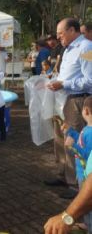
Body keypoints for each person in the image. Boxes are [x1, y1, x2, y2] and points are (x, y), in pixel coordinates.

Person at [46, 18, 92, 199]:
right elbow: (66, 74)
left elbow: (90, 80)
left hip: (78, 101)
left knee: (72, 141)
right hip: (64, 99)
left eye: (60, 34)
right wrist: (53, 79)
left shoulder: (87, 48)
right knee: (59, 138)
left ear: (72, 30)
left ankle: (76, 185)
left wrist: (63, 83)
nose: (58, 38)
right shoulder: (69, 49)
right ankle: (63, 175)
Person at [44, 96, 92, 234]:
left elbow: (87, 155)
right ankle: (87, 223)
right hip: (82, 173)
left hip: (86, 175)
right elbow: (80, 138)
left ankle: (89, 226)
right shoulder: (87, 129)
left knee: (86, 202)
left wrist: (73, 147)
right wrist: (70, 131)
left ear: (86, 111)